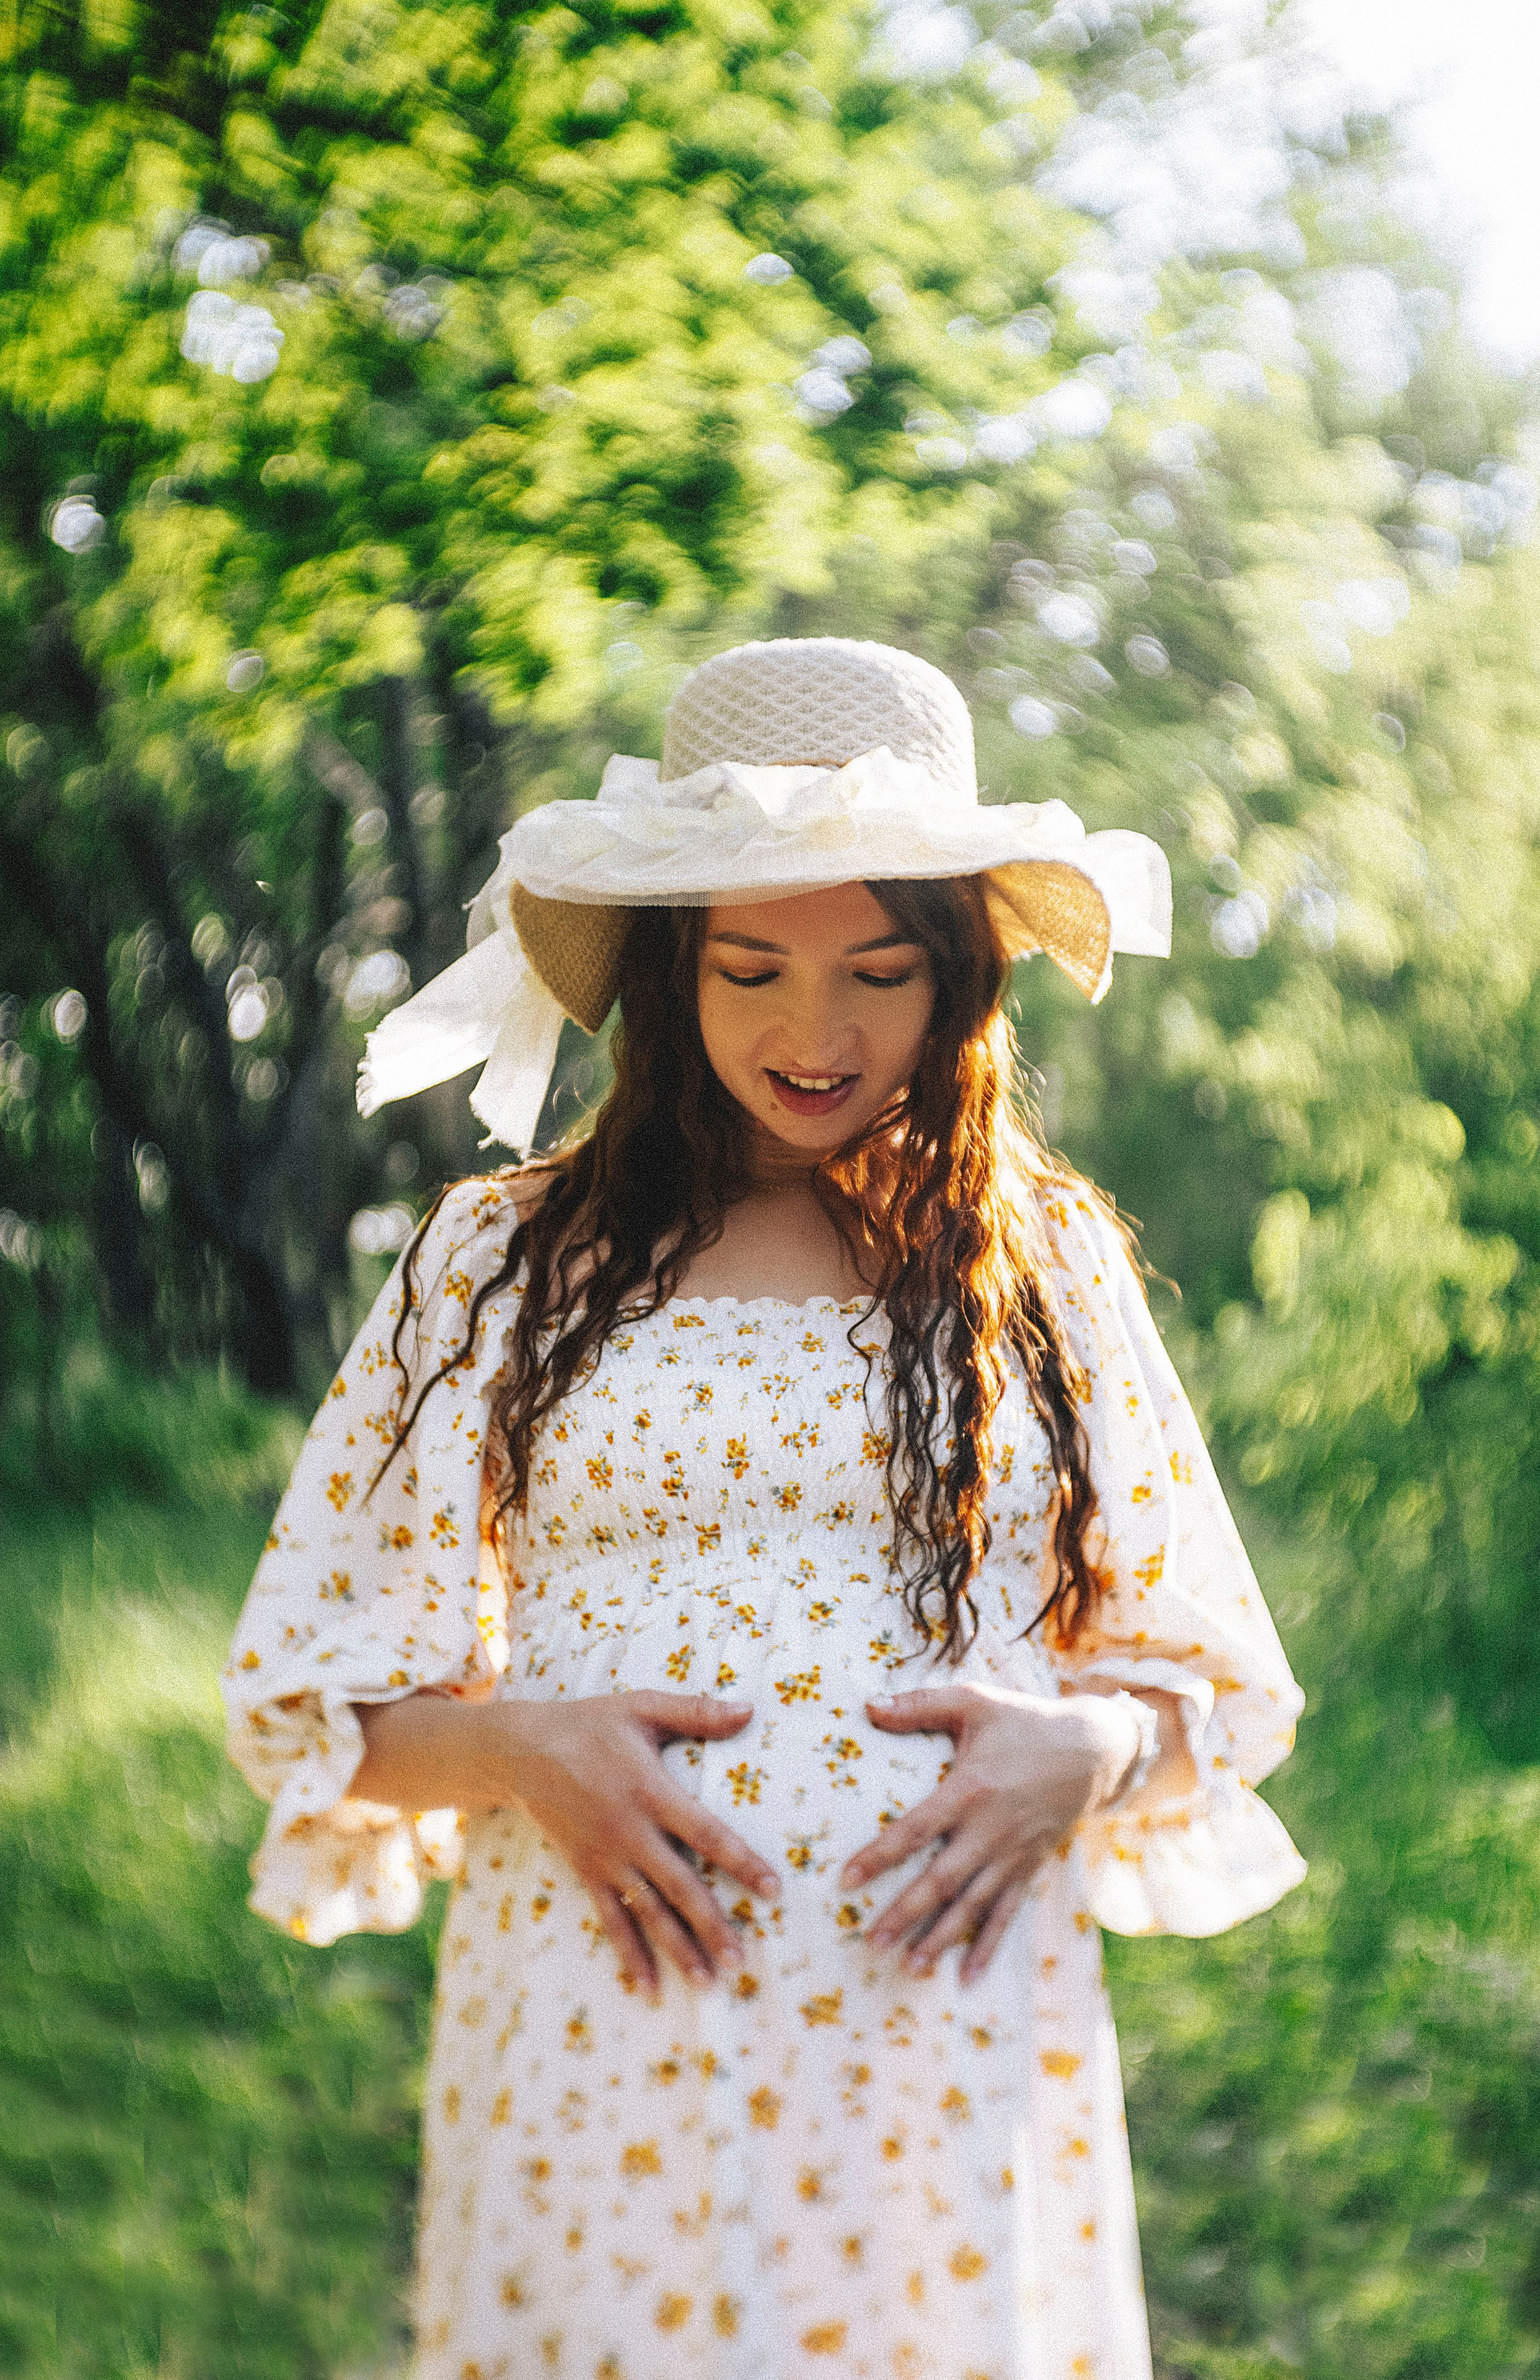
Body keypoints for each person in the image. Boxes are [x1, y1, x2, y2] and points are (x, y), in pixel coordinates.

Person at [222, 638, 1305, 2380]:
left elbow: (1219, 1694)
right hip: (602, 2030)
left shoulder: (1042, 1267)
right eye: (753, 970)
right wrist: (524, 1753)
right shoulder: (501, 1260)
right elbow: (312, 1709)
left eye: (882, 971)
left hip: (946, 2040)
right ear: (673, 969)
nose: (818, 1035)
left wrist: (1090, 1753)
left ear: (960, 981)